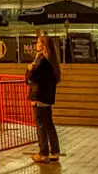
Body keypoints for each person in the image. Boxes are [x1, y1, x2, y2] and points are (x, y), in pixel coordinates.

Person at [26, 34, 62, 164]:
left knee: (41, 126)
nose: (36, 45)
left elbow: (31, 79)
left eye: (38, 42)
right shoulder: (52, 61)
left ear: (44, 46)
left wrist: (29, 69)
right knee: (49, 125)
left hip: (39, 96)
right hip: (47, 98)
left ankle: (43, 154)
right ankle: (55, 151)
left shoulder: (41, 61)